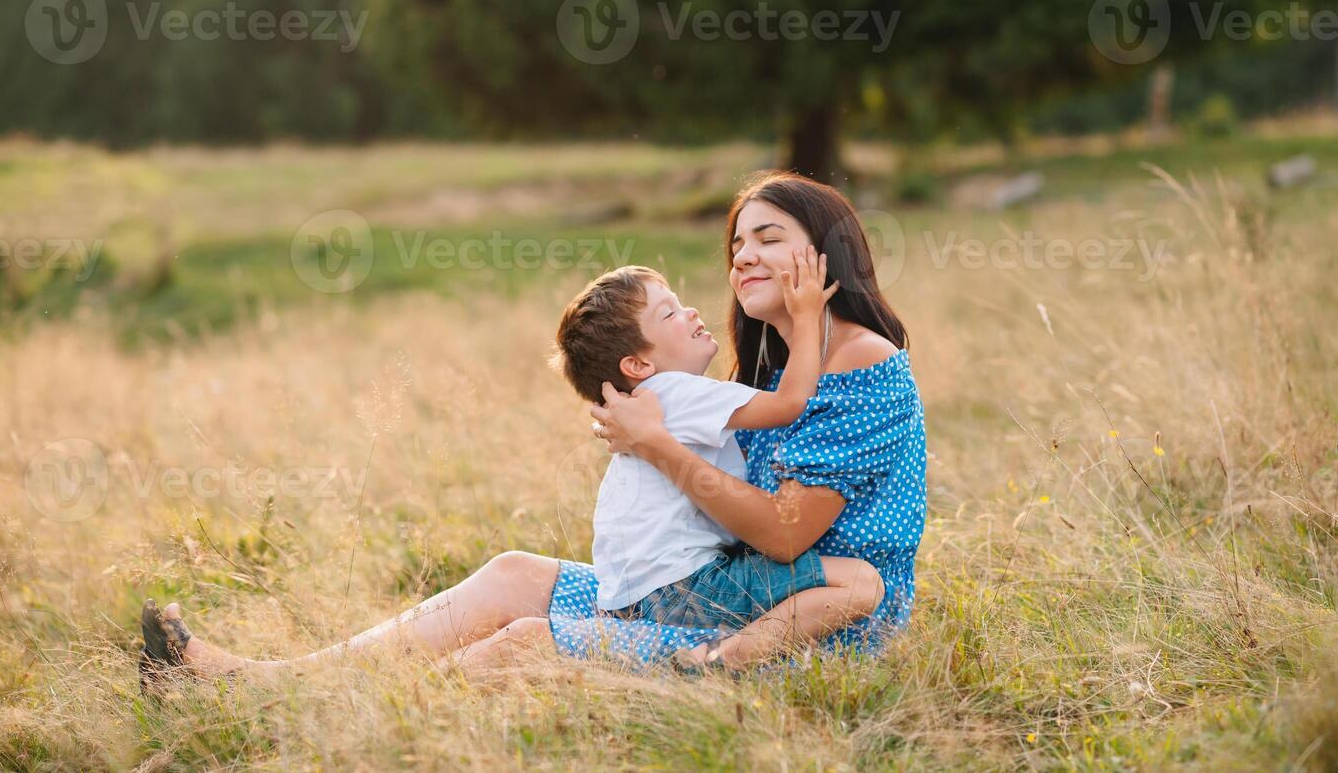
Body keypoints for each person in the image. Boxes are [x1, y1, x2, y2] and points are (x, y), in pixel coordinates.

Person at [138, 171, 926, 682]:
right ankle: (266, 683)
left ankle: (344, 724)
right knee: (515, 574)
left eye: (768, 238)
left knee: (523, 643)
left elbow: (788, 538)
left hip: (810, 633)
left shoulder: (855, 360)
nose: (742, 258)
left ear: (824, 259)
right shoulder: (772, 364)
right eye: (735, 243)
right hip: (721, 595)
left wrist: (654, 446)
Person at [551, 252, 883, 671]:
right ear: (638, 365)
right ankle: (724, 660)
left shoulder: (649, 403)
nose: (689, 311)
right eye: (668, 312)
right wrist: (806, 317)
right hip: (681, 588)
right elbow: (791, 402)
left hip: (628, 597)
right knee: (859, 581)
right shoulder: (676, 390)